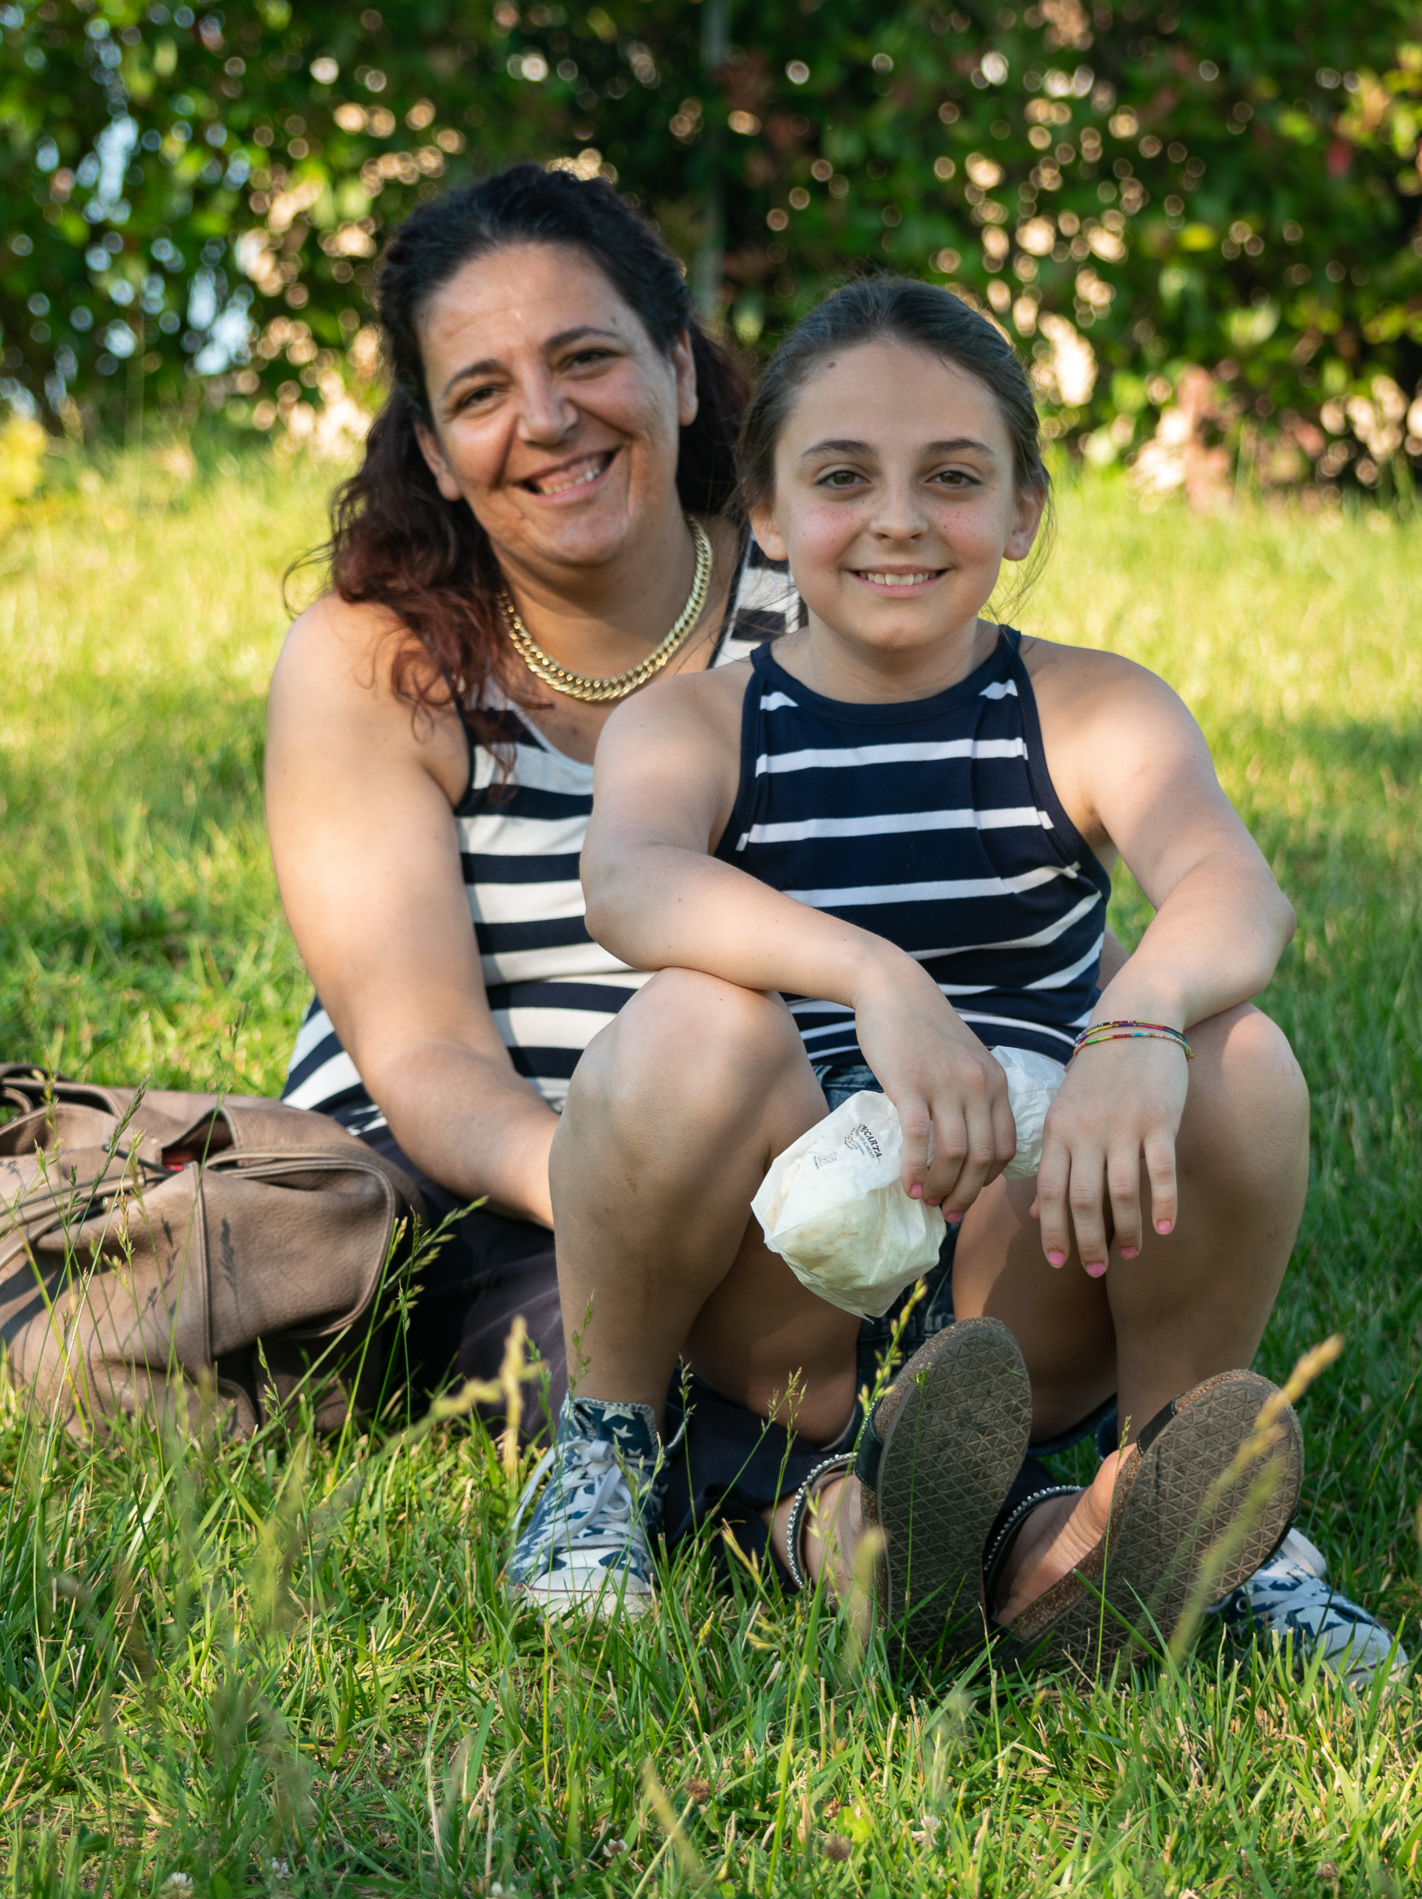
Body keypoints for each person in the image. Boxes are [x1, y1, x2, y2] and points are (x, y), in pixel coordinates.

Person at [511, 277, 1400, 1679]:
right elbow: (628, 885)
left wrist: (1135, 1022)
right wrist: (875, 979)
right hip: (786, 1302)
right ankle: (605, 1460)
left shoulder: (1085, 704)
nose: (898, 520)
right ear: (762, 510)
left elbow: (1233, 890)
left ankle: (1168, 1489)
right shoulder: (700, 718)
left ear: (1024, 511)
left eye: (953, 477)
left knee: (1243, 1059)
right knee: (683, 1024)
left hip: (1022, 1295)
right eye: (842, 477)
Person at [265, 163, 801, 1428]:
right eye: (483, 393)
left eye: (584, 358)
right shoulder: (374, 660)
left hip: (795, 1157)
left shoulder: (831, 610)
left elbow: (999, 911)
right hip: (486, 1186)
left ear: (677, 368)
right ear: (439, 456)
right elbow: (426, 1053)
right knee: (650, 1342)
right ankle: (924, 1522)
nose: (549, 418)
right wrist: (644, 1204)